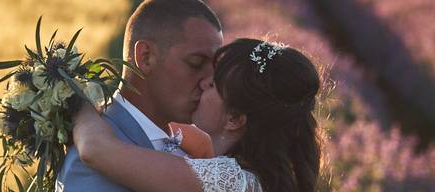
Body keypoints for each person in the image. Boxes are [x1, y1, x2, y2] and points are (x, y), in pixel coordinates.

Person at [72, 37, 323, 192]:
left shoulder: (228, 181)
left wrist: (72, 97)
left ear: (235, 119)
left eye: (214, 85)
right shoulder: (255, 177)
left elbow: (95, 150)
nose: (202, 83)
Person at [55, 0, 224, 192]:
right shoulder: (90, 167)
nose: (210, 80)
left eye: (216, 67)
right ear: (145, 57)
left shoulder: (197, 146)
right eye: (196, 63)